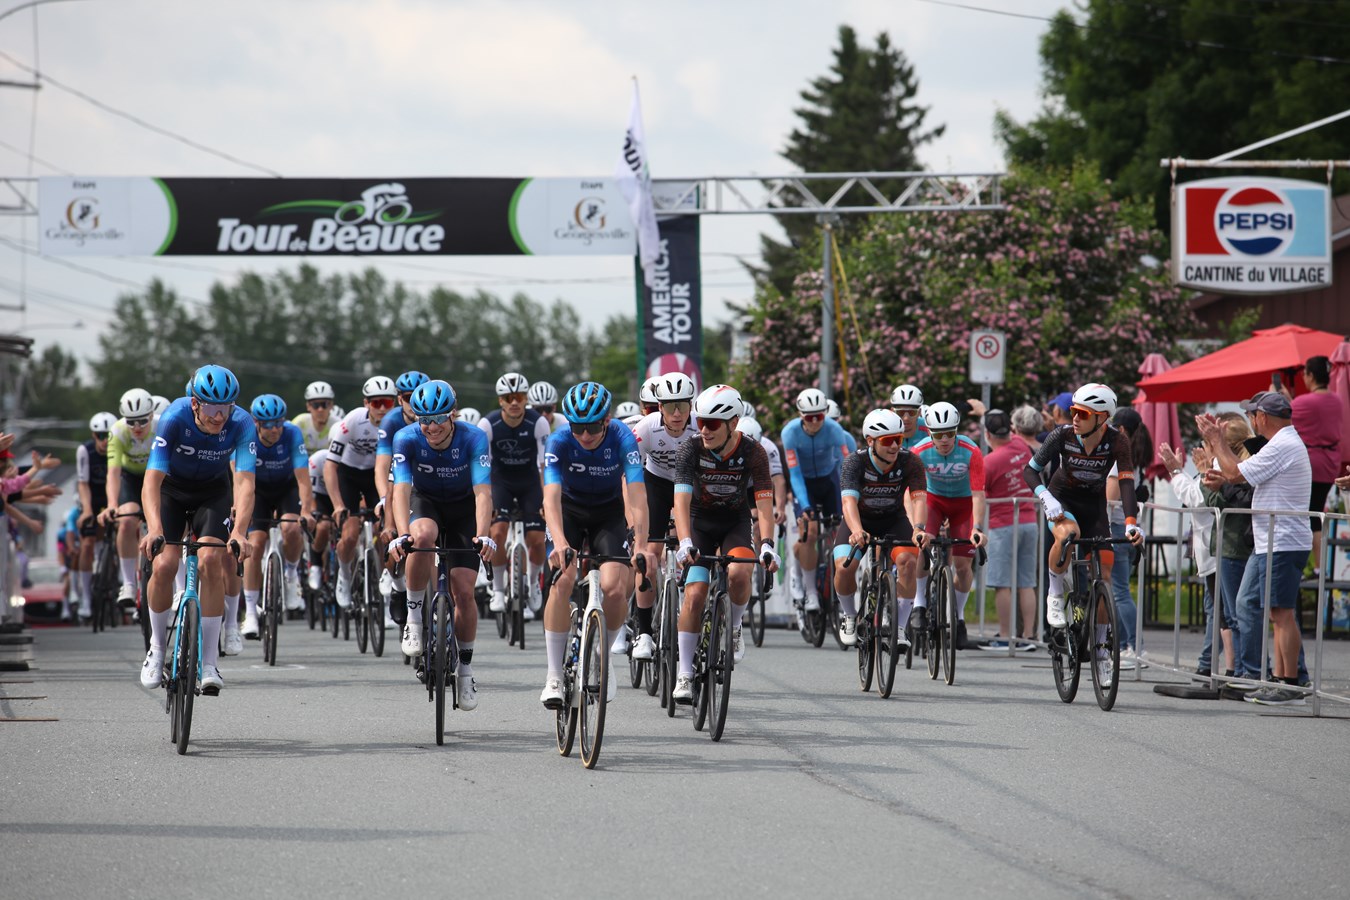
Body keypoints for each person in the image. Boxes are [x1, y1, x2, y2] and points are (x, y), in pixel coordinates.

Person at [138, 365, 256, 695]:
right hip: (172, 491)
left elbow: (245, 482)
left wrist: (240, 531)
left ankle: (209, 663)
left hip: (213, 492)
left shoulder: (242, 423)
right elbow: (152, 480)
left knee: (211, 562)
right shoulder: (174, 418)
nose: (219, 417)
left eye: (226, 408)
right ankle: (156, 648)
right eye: (212, 408)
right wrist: (155, 528)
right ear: (194, 403)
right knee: (164, 563)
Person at [1023, 383, 1144, 687]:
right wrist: (1044, 496)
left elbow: (1126, 483)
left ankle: (1101, 652)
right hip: (1061, 499)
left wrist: (1131, 523)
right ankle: (1054, 593)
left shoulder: (1117, 441)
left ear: (1102, 418)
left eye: (1083, 413)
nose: (1074, 418)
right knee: (1068, 534)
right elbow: (1030, 470)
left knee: (1105, 572)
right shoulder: (1061, 435)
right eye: (1074, 411)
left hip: (1094, 507)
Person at [1197, 391, 1311, 706]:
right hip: (1272, 540)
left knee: (1280, 612)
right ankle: (1275, 678)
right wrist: (1223, 472)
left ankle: (1290, 683)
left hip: (1282, 540)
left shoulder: (1282, 444)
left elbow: (1236, 473)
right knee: (1257, 606)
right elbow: (1239, 476)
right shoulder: (1281, 443)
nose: (1251, 421)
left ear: (1262, 417)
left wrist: (1217, 440)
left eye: (1252, 415)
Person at [538, 382, 648, 708]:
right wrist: (560, 542)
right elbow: (550, 498)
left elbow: (638, 496)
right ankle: (553, 675)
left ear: (607, 420)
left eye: (593, 427)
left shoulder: (622, 437)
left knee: (615, 587)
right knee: (562, 581)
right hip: (568, 512)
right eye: (578, 427)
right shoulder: (559, 440)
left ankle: (602, 655)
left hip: (608, 513)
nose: (585, 435)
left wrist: (641, 544)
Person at [387, 379, 493, 712]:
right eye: (424, 420)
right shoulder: (406, 438)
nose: (431, 427)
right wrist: (401, 534)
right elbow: (401, 490)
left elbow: (483, 493)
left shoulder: (474, 437)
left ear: (453, 414)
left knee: (464, 591)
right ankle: (414, 619)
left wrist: (483, 534)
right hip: (427, 502)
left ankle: (465, 671)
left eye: (438, 419)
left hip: (464, 509)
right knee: (420, 537)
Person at [671, 384, 778, 701]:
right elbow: (681, 501)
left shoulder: (753, 452)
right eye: (700, 421)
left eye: (712, 423)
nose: (704, 429)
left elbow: (765, 505)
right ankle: (685, 673)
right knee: (694, 594)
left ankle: (734, 626)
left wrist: (767, 543)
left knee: (740, 573)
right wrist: (684, 541)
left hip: (735, 521)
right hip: (699, 523)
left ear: (734, 423)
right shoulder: (690, 449)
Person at [833, 409, 926, 647]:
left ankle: (900, 628)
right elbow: (848, 502)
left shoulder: (910, 461)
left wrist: (918, 528)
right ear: (870, 441)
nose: (894, 446)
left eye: (899, 439)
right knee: (844, 568)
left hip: (893, 520)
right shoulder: (855, 462)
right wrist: (856, 530)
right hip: (860, 520)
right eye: (887, 441)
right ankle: (849, 616)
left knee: (909, 563)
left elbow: (918, 499)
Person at [629, 371, 699, 659]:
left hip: (692, 484)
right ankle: (645, 633)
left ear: (691, 405)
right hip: (656, 484)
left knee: (698, 549)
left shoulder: (701, 426)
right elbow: (629, 477)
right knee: (649, 555)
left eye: (683, 405)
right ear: (659, 407)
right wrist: (633, 521)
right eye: (670, 406)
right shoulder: (646, 428)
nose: (677, 413)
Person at [236, 394, 312, 651]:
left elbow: (303, 478)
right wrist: (237, 506)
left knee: (292, 528)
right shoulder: (246, 436)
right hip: (256, 491)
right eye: (268, 424)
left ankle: (291, 576)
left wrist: (307, 510)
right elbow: (239, 478)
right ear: (257, 423)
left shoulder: (292, 433)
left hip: (286, 489)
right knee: (255, 544)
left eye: (279, 422)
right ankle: (250, 613)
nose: (275, 429)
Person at [909, 401, 987, 649]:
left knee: (963, 566)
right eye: (938, 434)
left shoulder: (971, 450)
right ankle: (919, 604)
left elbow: (978, 495)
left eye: (950, 433)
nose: (944, 440)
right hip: (933, 501)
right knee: (922, 546)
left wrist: (978, 528)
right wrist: (917, 526)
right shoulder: (919, 452)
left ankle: (959, 617)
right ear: (929, 432)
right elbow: (913, 494)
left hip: (963, 504)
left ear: (957, 430)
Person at [480, 371, 551, 620]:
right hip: (500, 481)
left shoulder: (538, 423)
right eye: (508, 398)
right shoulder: (488, 425)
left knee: (537, 539)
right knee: (497, 533)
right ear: (500, 400)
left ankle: (533, 583)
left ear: (525, 399)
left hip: (530, 482)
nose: (514, 402)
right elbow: (483, 468)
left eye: (519, 397)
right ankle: (499, 589)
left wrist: (547, 499)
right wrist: (486, 501)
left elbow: (544, 465)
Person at [325, 375, 398, 609]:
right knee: (349, 534)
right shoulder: (353, 420)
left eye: (388, 402)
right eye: (377, 403)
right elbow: (330, 466)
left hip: (378, 477)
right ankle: (345, 576)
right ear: (366, 403)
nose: (382, 408)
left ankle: (387, 582)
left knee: (386, 530)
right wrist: (338, 505)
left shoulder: (397, 423)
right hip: (349, 475)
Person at [782, 387, 851, 614]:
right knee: (809, 533)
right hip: (805, 484)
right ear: (800, 415)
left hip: (829, 480)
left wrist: (849, 496)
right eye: (809, 417)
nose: (814, 422)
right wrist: (805, 505)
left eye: (819, 416)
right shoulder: (790, 433)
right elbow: (794, 474)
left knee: (841, 531)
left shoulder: (835, 430)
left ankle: (838, 587)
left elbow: (846, 465)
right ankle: (811, 592)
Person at [1276, 356, 1342, 578]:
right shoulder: (1337, 401)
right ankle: (1320, 566)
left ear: (1311, 375)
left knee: (1309, 516)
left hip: (1311, 464)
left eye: (1305, 374)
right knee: (1317, 511)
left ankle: (1317, 567)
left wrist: (1282, 398)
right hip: (1331, 463)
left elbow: (1285, 418)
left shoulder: (1303, 403)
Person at [979, 408, 1038, 651]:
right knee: (1026, 582)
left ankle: (1005, 635)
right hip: (1030, 521)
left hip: (1003, 525)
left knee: (1002, 583)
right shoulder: (1020, 445)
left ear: (987, 434)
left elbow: (979, 494)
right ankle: (1028, 636)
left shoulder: (989, 462)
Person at [100, 389, 156, 611]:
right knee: (126, 521)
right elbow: (113, 473)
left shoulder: (162, 426)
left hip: (157, 475)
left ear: (151, 415)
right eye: (131, 422)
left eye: (143, 420)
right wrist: (112, 505)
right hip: (130, 478)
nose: (137, 427)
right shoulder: (118, 431)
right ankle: (129, 584)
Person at [1106, 407, 1152, 668]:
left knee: (1120, 592)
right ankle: (1125, 646)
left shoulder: (1118, 460)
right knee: (1118, 591)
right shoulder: (1134, 456)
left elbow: (1110, 498)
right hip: (1126, 529)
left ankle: (1135, 647)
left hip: (1116, 528)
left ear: (1121, 430)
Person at [74, 411, 117, 620]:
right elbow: (82, 484)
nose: (105, 441)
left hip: (112, 497)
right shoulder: (85, 451)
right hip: (91, 497)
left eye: (108, 436)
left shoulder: (118, 447)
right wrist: (87, 510)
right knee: (87, 544)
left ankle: (117, 577)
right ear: (94, 435)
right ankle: (85, 598)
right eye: (100, 436)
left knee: (122, 530)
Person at [292, 381, 338, 455]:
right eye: (315, 405)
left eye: (324, 404)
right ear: (308, 406)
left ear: (331, 405)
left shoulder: (337, 425)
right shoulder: (299, 423)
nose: (320, 409)